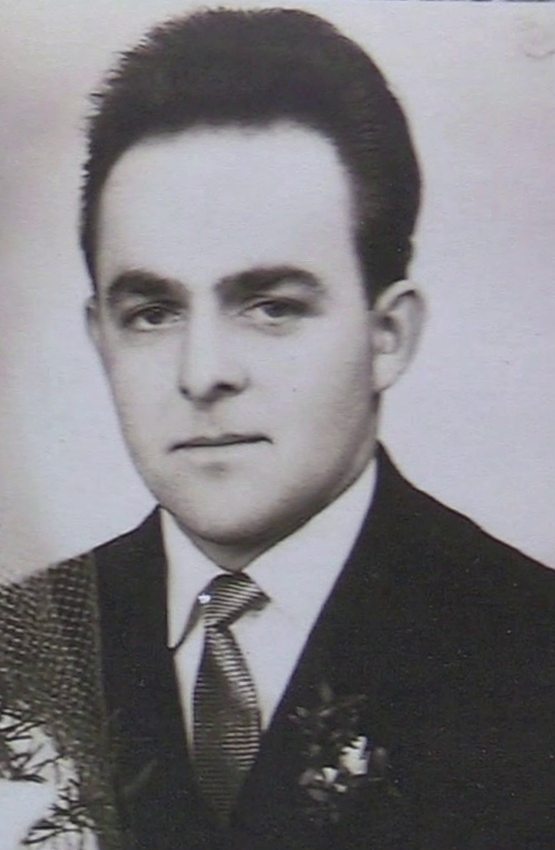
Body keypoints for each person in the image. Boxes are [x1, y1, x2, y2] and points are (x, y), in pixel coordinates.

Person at [1, 7, 555, 850]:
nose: (201, 372)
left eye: (270, 307)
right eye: (152, 313)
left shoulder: (531, 649)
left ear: (387, 336)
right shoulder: (17, 650)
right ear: (99, 336)